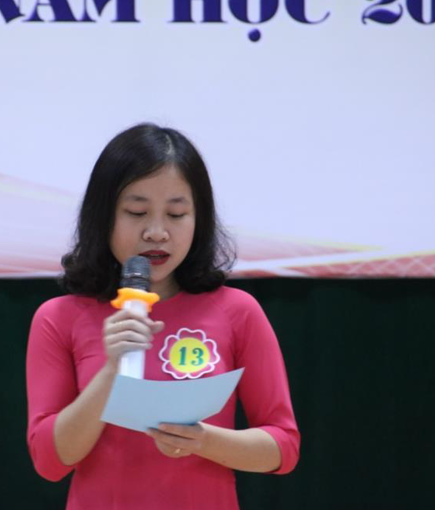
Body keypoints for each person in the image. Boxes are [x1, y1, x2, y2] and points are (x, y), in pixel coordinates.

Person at [26, 123, 299, 510]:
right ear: (103, 216)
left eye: (176, 213)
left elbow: (283, 448)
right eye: (136, 212)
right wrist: (111, 371)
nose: (157, 232)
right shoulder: (59, 317)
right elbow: (49, 461)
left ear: (198, 219)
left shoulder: (238, 311)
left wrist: (204, 440)